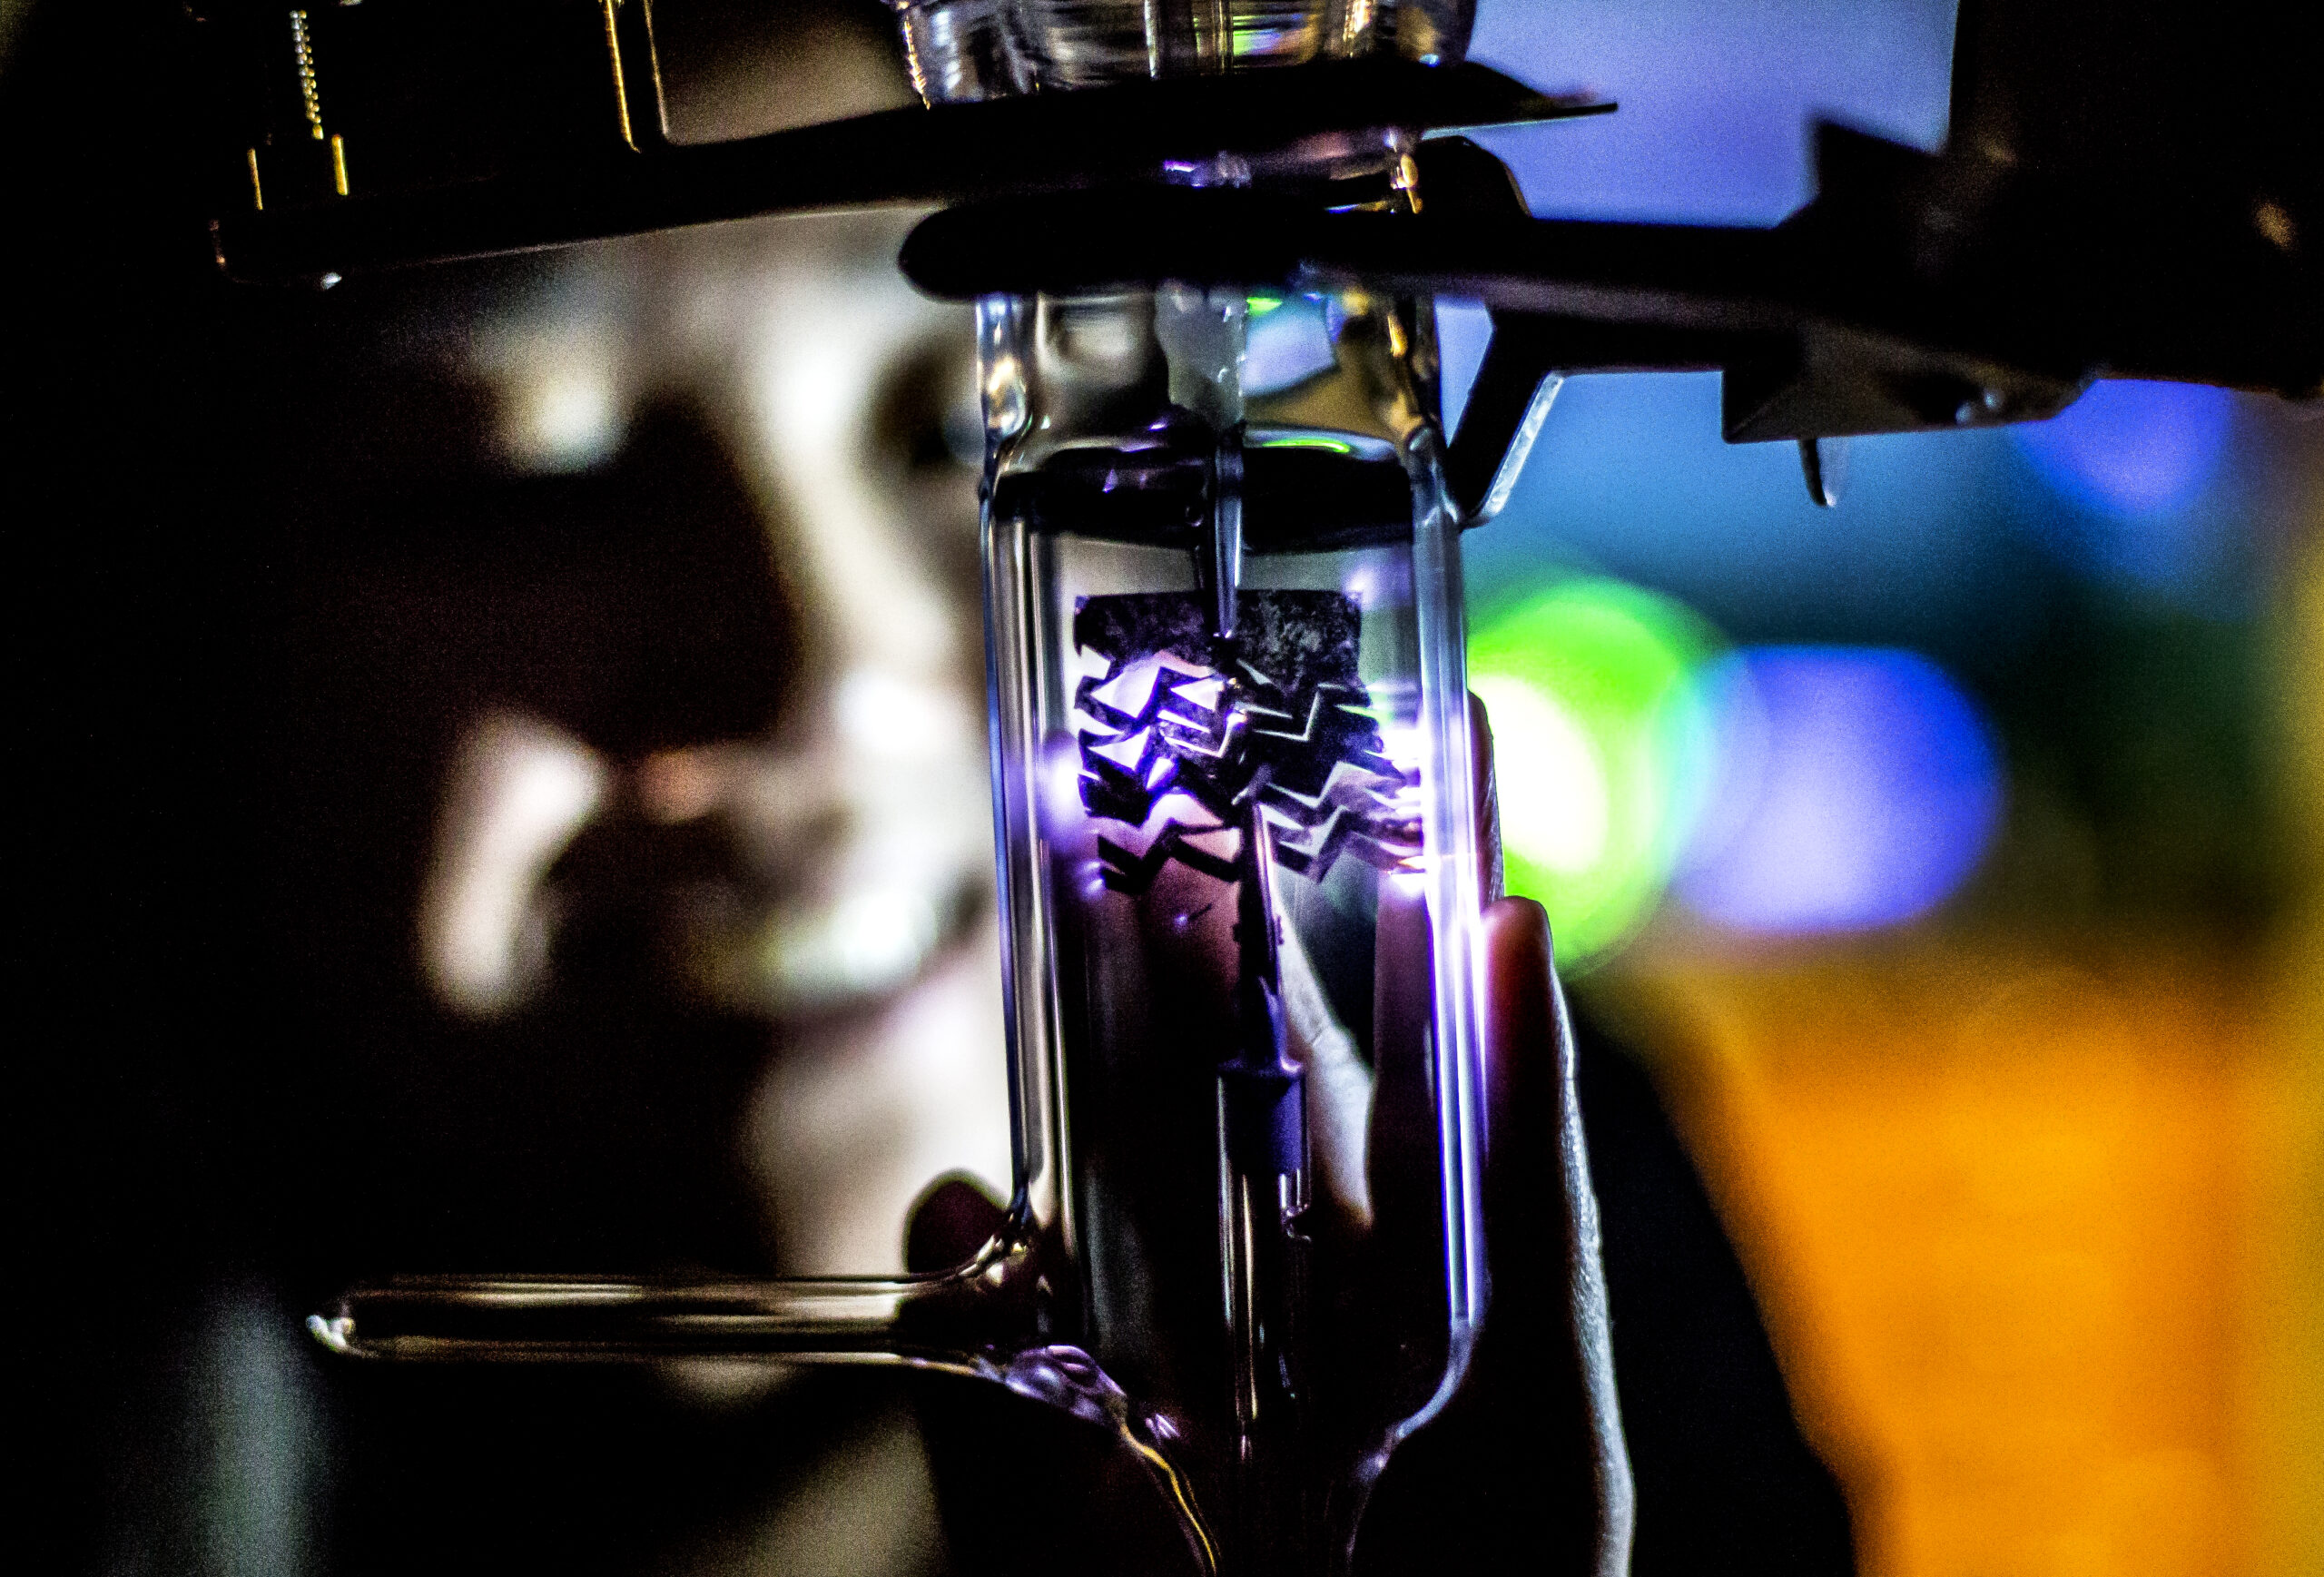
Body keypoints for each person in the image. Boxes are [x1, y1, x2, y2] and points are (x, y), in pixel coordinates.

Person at [9, 2, 1850, 1572]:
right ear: (151, 636)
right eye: (525, 478)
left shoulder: (1547, 1242)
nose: (819, 661)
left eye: (976, 432)